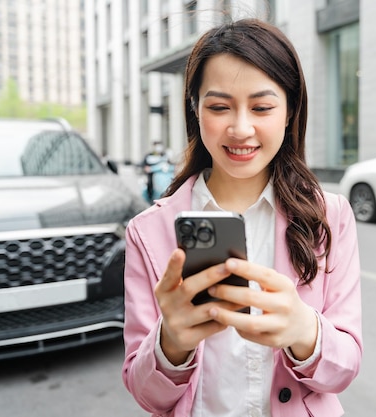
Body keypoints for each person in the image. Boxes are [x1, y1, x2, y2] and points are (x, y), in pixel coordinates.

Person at [122, 18, 362, 417]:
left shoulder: (329, 216)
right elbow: (147, 394)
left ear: (289, 111)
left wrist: (304, 330)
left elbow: (344, 369)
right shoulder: (148, 232)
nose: (241, 128)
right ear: (195, 110)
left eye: (262, 107)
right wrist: (171, 344)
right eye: (219, 107)